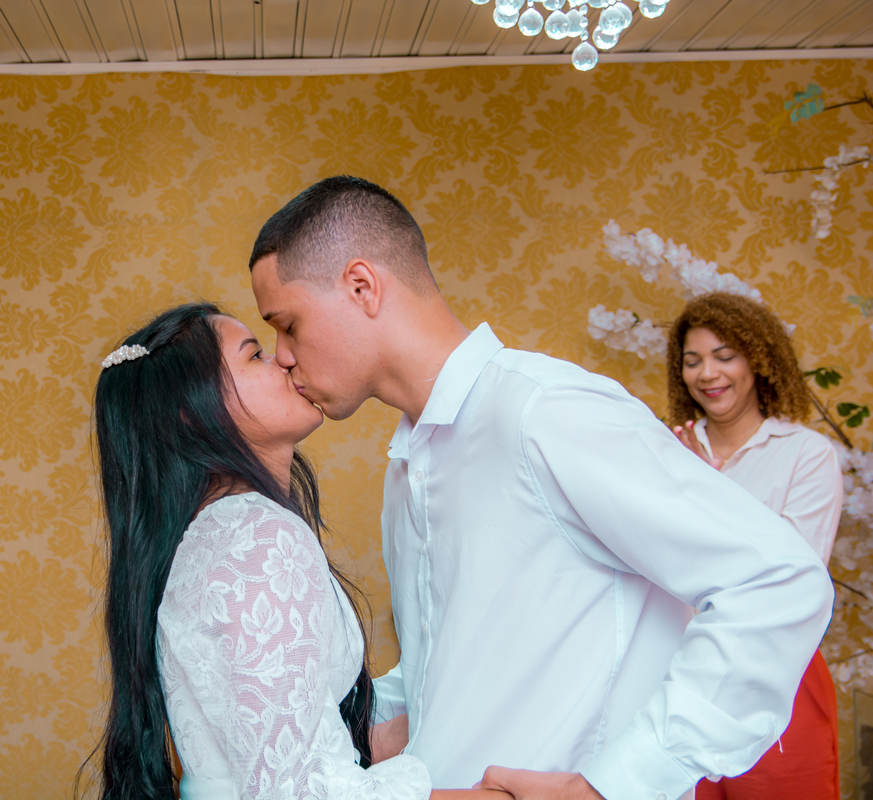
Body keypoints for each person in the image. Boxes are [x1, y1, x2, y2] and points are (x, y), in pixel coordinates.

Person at [246, 175, 835, 800]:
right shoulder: (407, 465)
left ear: (362, 287)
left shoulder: (545, 413)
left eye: (288, 324)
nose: (282, 356)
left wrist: (615, 785)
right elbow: (446, 671)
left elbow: (778, 578)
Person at [90, 302, 505, 800]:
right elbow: (298, 791)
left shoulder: (217, 532)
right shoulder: (257, 537)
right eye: (255, 355)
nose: (285, 359)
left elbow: (284, 751)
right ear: (192, 412)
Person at [667, 292, 842, 800]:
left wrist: (706, 490)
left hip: (776, 673)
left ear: (758, 361)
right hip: (678, 674)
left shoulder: (806, 454)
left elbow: (788, 581)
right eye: (692, 360)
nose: (707, 374)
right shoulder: (665, 450)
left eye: (725, 356)